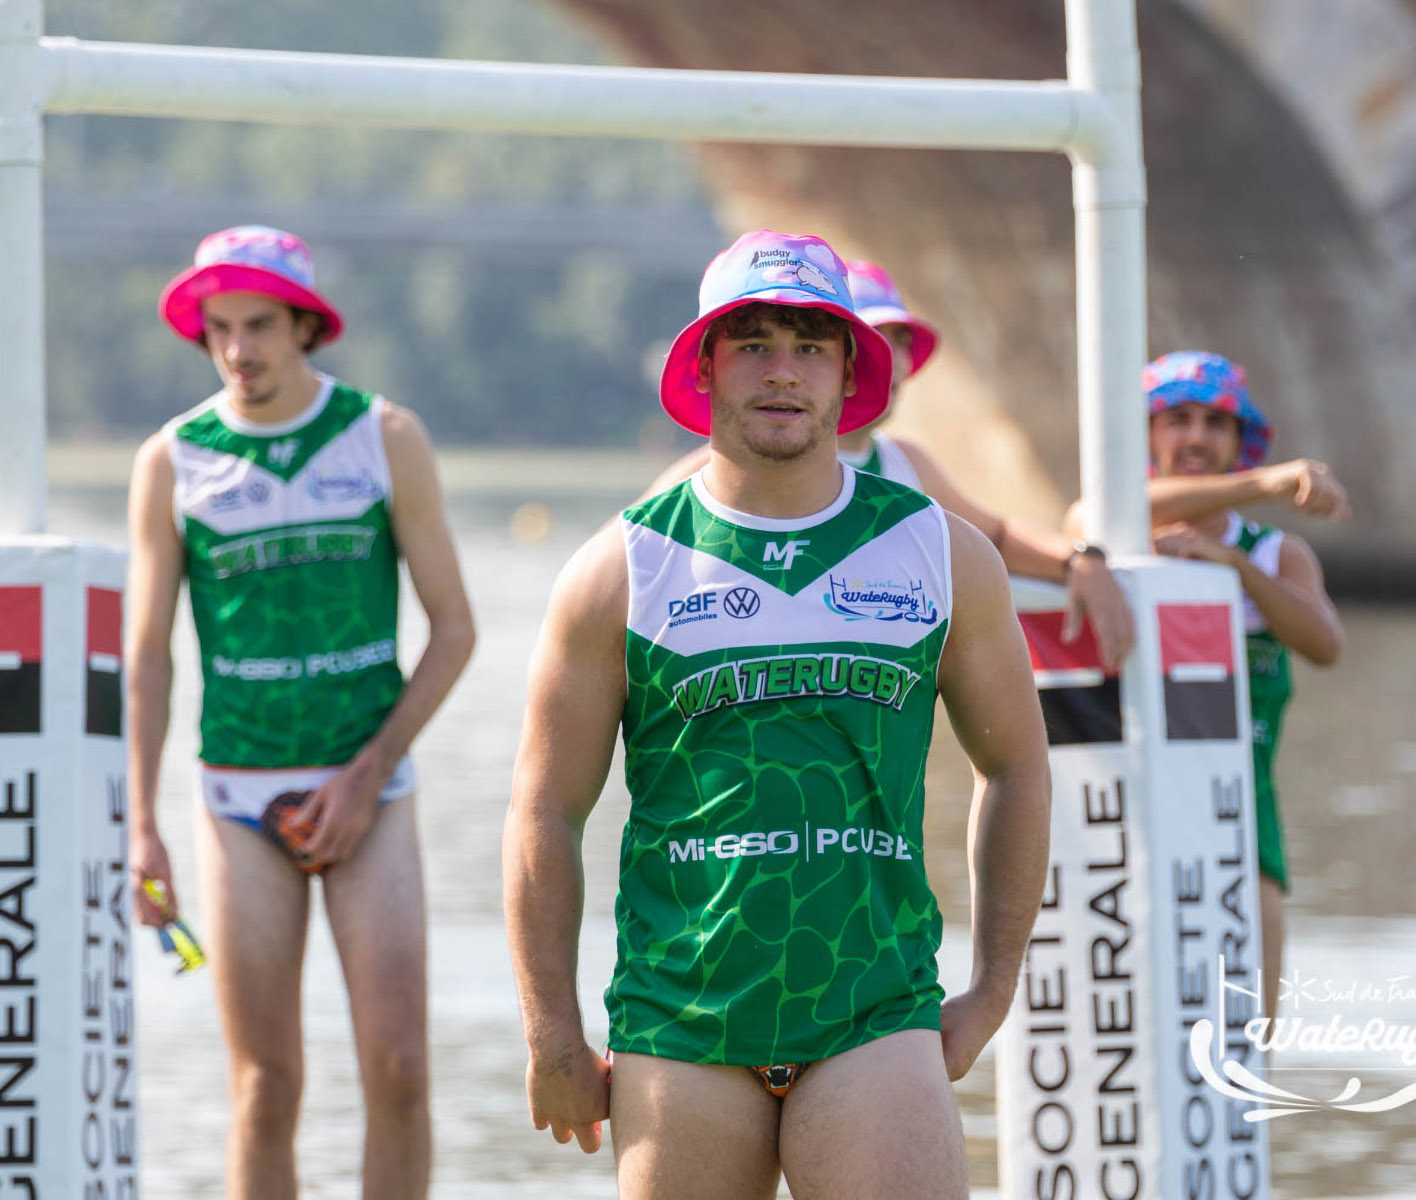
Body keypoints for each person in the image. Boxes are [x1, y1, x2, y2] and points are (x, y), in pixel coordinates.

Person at [504, 231, 1054, 1199]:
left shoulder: (942, 555)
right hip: (683, 1027)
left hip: (874, 1018)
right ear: (706, 366)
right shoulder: (618, 571)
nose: (783, 372)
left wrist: (991, 990)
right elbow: (544, 808)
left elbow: (1015, 767)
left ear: (850, 372)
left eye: (810, 345)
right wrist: (551, 1031)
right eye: (753, 343)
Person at [126, 225, 476, 1195]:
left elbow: (455, 632)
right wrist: (142, 825)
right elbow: (148, 657)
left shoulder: (384, 437)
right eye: (221, 329)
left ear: (305, 327)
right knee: (265, 1087)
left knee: (400, 1071)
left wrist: (367, 775)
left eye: (261, 326)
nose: (239, 349)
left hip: (372, 793)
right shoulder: (172, 461)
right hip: (235, 798)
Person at [643, 258, 1134, 671]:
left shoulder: (905, 462)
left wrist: (1079, 560)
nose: (896, 360)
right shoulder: (696, 481)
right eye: (880, 337)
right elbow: (627, 569)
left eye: (901, 340)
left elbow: (995, 538)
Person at [1070, 349, 1345, 1022]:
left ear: (1237, 441)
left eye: (1215, 424)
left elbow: (1324, 646)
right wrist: (1270, 482)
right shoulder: (1107, 528)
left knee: (1248, 1042)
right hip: (1122, 824)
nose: (1195, 438)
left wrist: (1233, 570)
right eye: (1177, 420)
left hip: (1241, 818)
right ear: (1146, 436)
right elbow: (1094, 515)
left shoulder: (1277, 554)